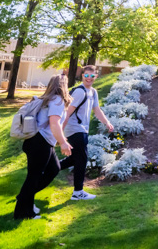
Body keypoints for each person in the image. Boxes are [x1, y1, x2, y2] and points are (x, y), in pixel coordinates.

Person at [14, 74, 72, 220]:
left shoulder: (48, 99)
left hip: (38, 142)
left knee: (54, 168)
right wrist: (63, 142)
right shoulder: (57, 100)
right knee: (34, 176)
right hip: (40, 142)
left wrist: (61, 139)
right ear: (63, 86)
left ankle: (24, 197)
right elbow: (54, 123)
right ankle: (23, 212)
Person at [60, 65, 115, 200]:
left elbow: (97, 110)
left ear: (95, 76)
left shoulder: (93, 92)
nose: (89, 78)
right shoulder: (79, 92)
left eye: (92, 76)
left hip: (82, 129)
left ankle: (49, 167)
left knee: (74, 158)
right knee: (82, 159)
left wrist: (107, 123)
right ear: (82, 75)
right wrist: (60, 135)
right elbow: (67, 113)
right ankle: (78, 192)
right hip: (74, 130)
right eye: (86, 75)